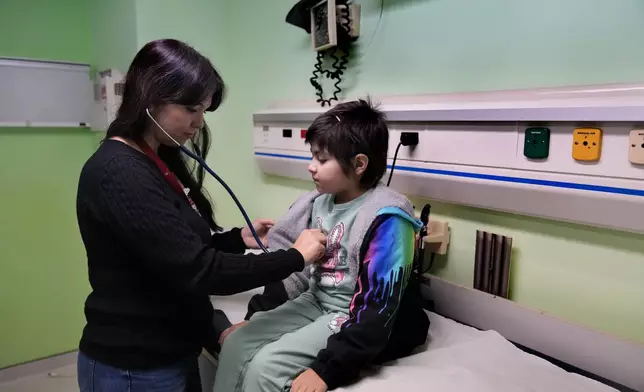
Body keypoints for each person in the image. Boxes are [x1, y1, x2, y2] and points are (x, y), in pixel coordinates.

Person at [75, 38, 327, 392]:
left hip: (171, 352)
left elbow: (175, 245)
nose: (198, 122)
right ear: (151, 98)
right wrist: (295, 257)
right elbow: (199, 270)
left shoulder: (155, 160)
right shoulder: (120, 172)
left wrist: (238, 238)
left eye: (203, 110)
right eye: (191, 108)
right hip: (135, 367)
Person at [214, 99, 430, 392]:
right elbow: (295, 272)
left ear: (359, 164)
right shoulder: (319, 203)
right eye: (312, 156)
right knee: (235, 343)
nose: (311, 167)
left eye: (322, 159)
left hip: (348, 313)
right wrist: (257, 319)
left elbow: (378, 308)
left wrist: (326, 370)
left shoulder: (388, 220)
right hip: (314, 301)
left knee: (267, 367)